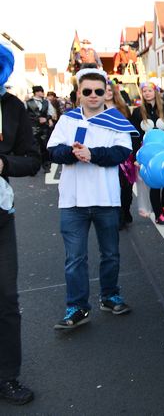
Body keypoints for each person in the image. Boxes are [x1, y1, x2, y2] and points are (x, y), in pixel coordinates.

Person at [47, 68, 136, 330]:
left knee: (110, 253)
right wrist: (74, 154)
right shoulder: (67, 120)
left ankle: (109, 296)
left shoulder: (116, 120)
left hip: (106, 199)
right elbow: (53, 151)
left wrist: (92, 154)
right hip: (72, 202)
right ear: (79, 94)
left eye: (99, 91)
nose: (94, 96)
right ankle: (77, 307)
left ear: (105, 92)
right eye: (88, 91)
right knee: (75, 257)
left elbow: (121, 152)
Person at [0, 44, 40, 405]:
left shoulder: (11, 107)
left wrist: (3, 166)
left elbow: (32, 161)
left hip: (0, 217)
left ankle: (7, 377)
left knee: (6, 299)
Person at [129, 82, 164, 225]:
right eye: (144, 91)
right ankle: (158, 214)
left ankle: (163, 205)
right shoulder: (137, 112)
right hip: (148, 153)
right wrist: (136, 156)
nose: (147, 93)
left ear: (155, 92)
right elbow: (134, 135)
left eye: (149, 90)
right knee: (154, 182)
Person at [104, 81, 136, 229]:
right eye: (104, 90)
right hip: (107, 153)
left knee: (127, 188)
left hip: (124, 154)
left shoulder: (123, 109)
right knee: (112, 186)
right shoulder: (97, 110)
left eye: (110, 90)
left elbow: (131, 131)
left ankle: (126, 209)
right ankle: (118, 216)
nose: (108, 92)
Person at [26, 86, 54, 173]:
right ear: (36, 92)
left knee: (45, 147)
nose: (42, 93)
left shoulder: (46, 102)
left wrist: (47, 118)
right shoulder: (27, 103)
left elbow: (51, 112)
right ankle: (32, 168)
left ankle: (46, 166)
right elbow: (23, 115)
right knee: (33, 148)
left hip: (44, 128)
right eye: (41, 91)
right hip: (32, 128)